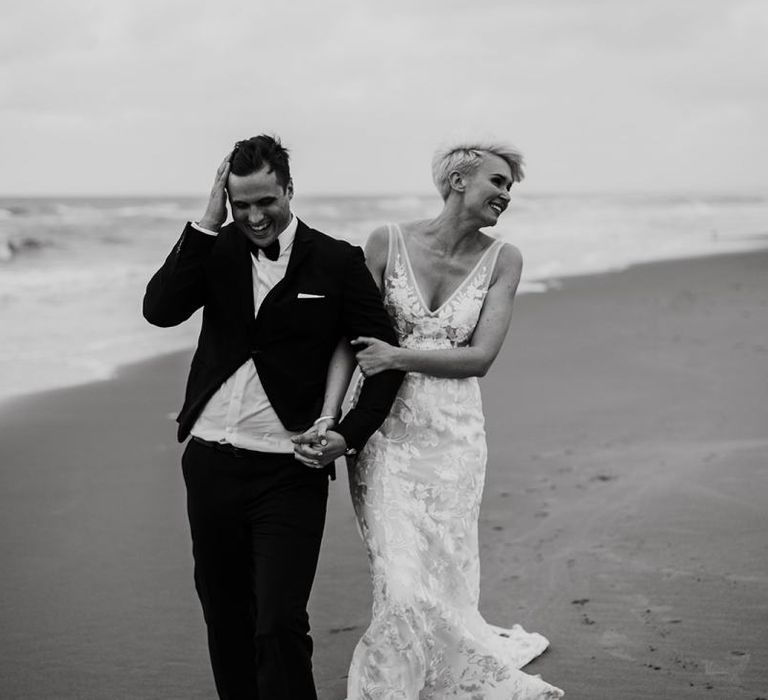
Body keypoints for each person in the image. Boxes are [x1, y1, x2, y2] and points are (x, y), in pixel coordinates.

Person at [295, 141, 564, 698]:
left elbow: (481, 358)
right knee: (400, 581)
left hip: (455, 435)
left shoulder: (504, 259)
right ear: (458, 181)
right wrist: (330, 414)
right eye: (498, 182)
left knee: (443, 573)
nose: (505, 195)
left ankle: (441, 668)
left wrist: (398, 356)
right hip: (385, 431)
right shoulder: (386, 242)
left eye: (510, 187)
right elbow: (349, 340)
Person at [142, 134, 403, 700]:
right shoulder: (216, 246)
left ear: (289, 190)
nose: (256, 217)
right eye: (242, 205)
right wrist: (208, 222)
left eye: (267, 201)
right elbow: (159, 310)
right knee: (226, 618)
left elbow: (383, 360)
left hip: (289, 472)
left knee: (279, 622)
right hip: (209, 463)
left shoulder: (336, 260)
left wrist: (346, 435)